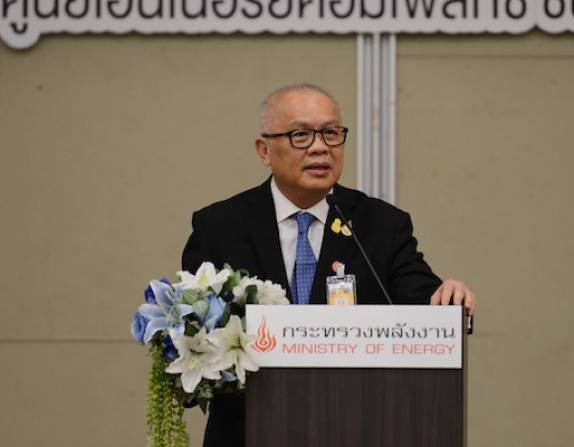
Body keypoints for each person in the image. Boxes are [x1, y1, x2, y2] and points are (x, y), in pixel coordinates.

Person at [181, 83, 476, 447]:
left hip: (354, 427)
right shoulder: (220, 226)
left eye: (331, 134)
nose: (320, 147)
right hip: (246, 433)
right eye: (301, 135)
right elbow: (191, 331)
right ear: (264, 150)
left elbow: (421, 297)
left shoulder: (380, 225)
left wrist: (446, 297)